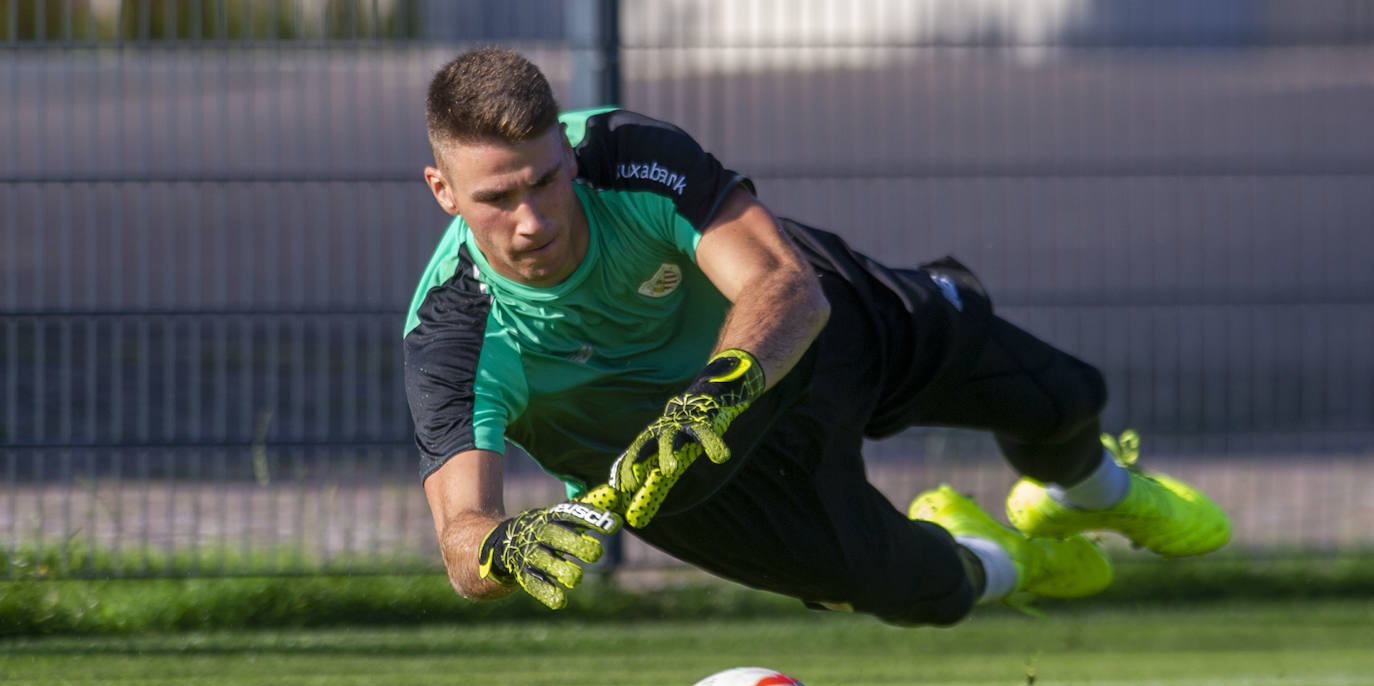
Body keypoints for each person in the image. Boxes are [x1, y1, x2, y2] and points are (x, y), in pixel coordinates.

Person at [405, 47, 1230, 627]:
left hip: (790, 346)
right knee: (921, 592)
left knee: (1061, 395)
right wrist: (505, 549)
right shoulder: (451, 334)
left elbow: (783, 287)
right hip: (689, 479)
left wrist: (719, 390)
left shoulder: (627, 156)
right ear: (445, 191)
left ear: (567, 152)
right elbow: (460, 540)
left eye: (547, 179)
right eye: (497, 198)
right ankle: (1007, 557)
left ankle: (1088, 494)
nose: (533, 217)